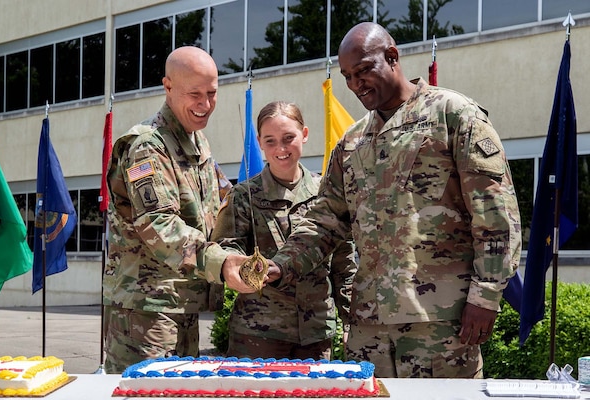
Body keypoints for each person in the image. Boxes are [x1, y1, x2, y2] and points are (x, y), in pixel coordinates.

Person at [260, 22, 521, 378]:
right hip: (369, 329)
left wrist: (486, 295)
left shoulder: (454, 116)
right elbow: (324, 220)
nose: (355, 85)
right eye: (348, 76)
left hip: (441, 324)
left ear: (392, 57)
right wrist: (280, 265)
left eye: (364, 70)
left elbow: (496, 217)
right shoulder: (352, 142)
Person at [103, 46, 254, 374]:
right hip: (145, 313)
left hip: (180, 304)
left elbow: (224, 202)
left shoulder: (196, 142)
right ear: (167, 87)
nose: (205, 105)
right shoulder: (147, 146)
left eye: (212, 93)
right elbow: (159, 225)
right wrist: (222, 261)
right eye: (194, 94)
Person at [211, 101, 356, 360]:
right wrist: (243, 266)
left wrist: (350, 323)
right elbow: (225, 249)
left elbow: (343, 265)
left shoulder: (327, 194)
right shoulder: (243, 196)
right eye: (270, 141)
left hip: (315, 334)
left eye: (289, 138)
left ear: (305, 134)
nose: (280, 149)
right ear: (259, 142)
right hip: (257, 334)